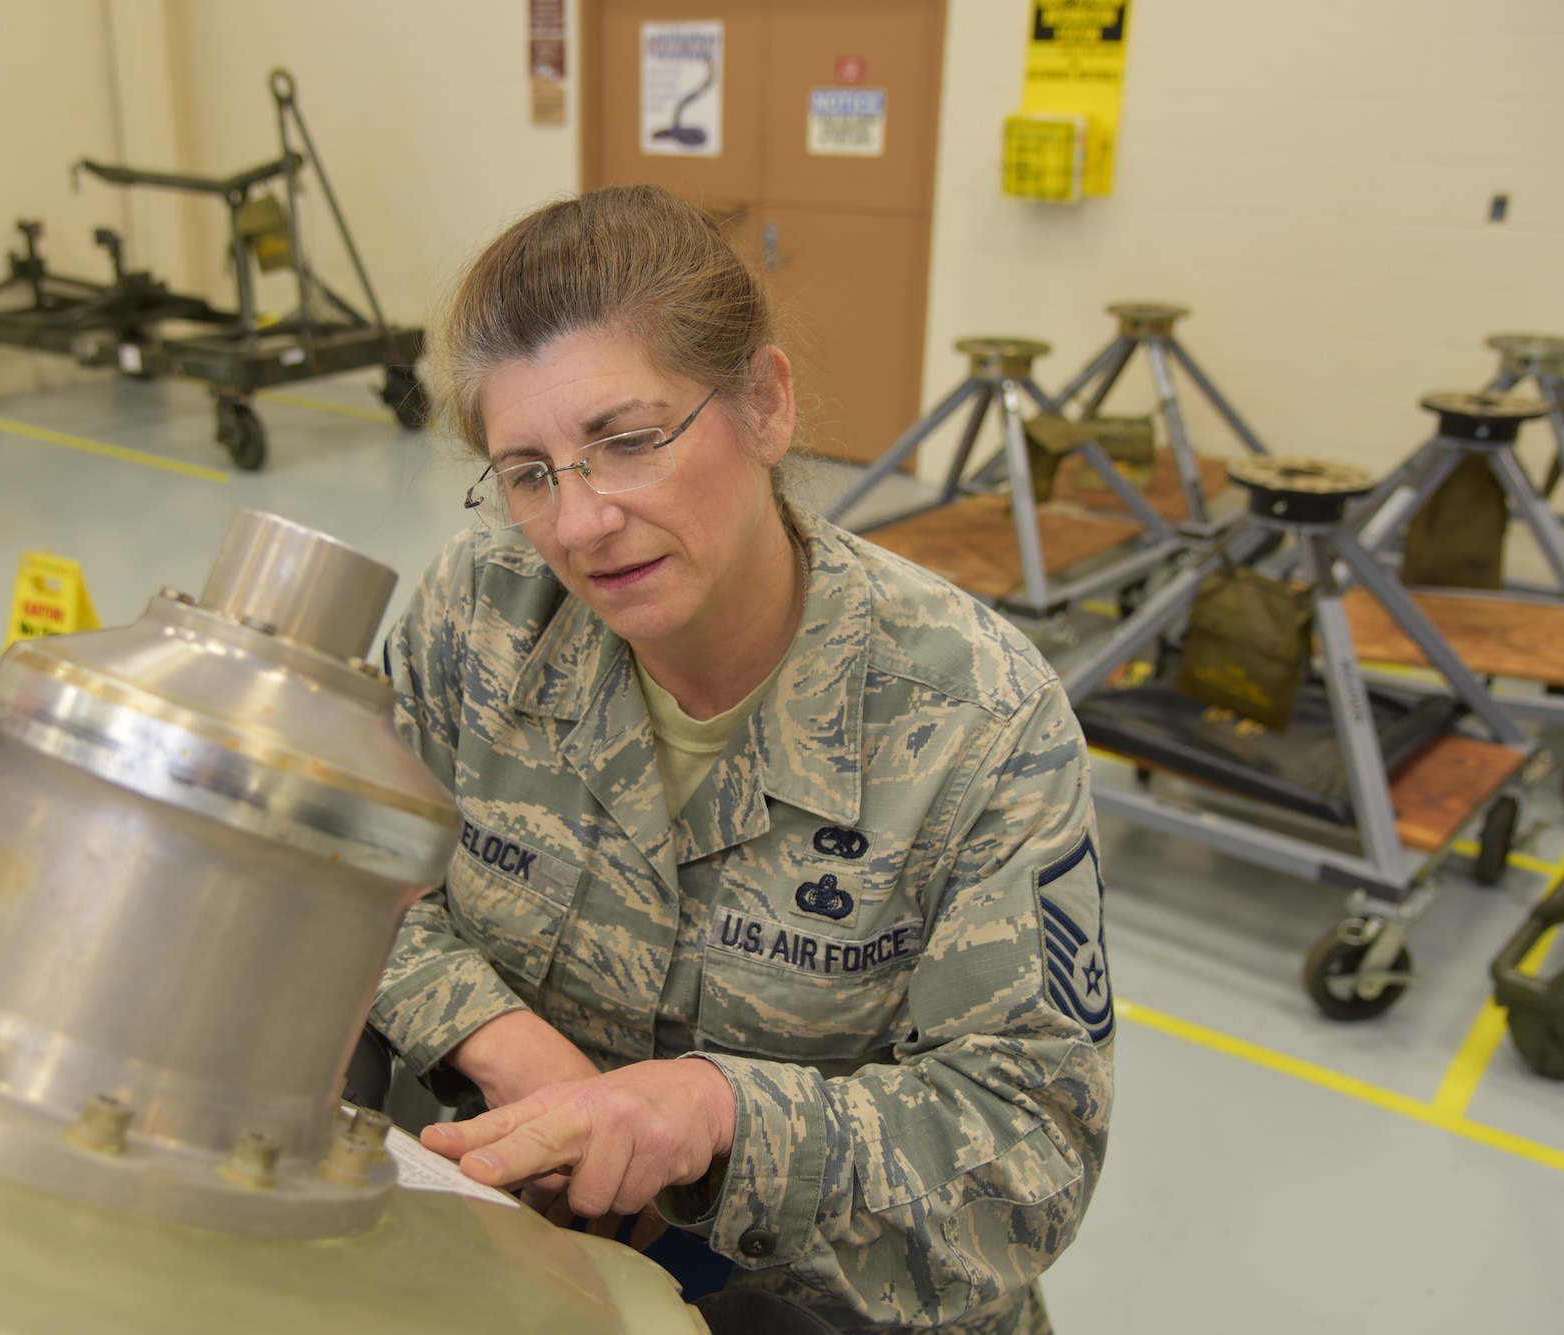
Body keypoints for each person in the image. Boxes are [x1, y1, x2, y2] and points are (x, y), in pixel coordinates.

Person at [369, 184, 1113, 1334]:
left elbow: (1026, 1159)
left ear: (763, 407)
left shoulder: (974, 719)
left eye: (626, 443)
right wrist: (493, 1035)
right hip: (520, 1271)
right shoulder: (481, 616)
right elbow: (346, 872)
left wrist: (714, 1116)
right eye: (528, 472)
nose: (577, 525)